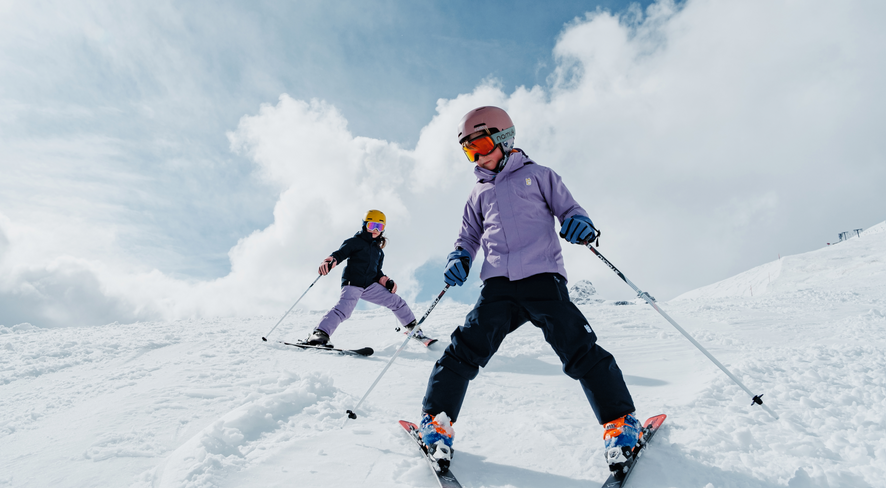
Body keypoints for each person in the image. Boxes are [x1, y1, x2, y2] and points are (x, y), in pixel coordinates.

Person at [417, 106, 640, 473]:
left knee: (578, 347)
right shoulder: (478, 194)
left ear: (504, 138)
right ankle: (436, 422)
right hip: (498, 286)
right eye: (468, 150)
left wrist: (579, 224)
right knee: (463, 350)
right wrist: (458, 258)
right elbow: (467, 237)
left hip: (542, 278)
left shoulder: (539, 176)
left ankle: (620, 423)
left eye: (482, 143)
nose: (477, 155)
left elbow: (570, 209)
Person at [306, 210, 417, 346]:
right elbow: (340, 254)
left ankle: (413, 327)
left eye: (380, 227)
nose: (376, 230)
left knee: (396, 301)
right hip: (353, 282)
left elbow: (377, 272)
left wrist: (385, 280)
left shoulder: (379, 252)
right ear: (365, 225)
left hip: (370, 286)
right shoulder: (355, 242)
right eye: (372, 225)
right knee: (344, 310)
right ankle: (319, 334)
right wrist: (330, 261)